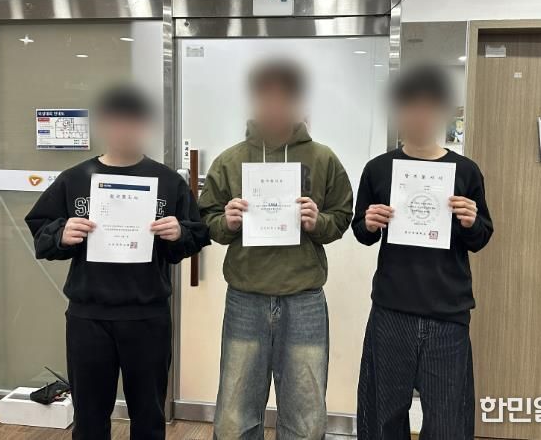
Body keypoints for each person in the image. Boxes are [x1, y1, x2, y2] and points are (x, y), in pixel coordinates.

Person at [25, 84, 210, 440]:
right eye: (115, 121)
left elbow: (196, 234)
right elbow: (42, 232)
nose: (123, 129)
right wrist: (61, 234)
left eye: (132, 121)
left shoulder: (167, 182)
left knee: (149, 415)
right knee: (90, 417)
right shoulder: (75, 179)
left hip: (147, 315)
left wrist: (179, 233)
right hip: (89, 316)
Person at [199, 59, 353, 440]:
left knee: (305, 417)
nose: (274, 106)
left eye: (284, 98)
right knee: (234, 418)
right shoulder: (231, 160)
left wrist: (318, 221)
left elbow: (342, 216)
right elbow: (207, 219)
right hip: (245, 298)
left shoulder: (322, 158)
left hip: (304, 299)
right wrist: (227, 221)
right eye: (266, 97)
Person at [352, 64, 494, 440]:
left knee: (448, 422)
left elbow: (481, 238)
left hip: (448, 313)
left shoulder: (465, 171)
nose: (419, 115)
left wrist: (471, 221)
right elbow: (361, 233)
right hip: (392, 309)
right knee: (382, 417)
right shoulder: (379, 169)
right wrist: (369, 223)